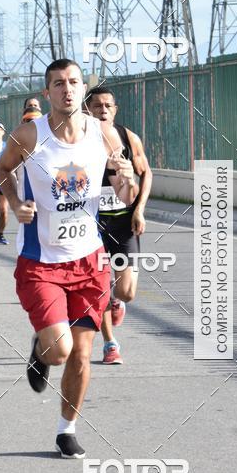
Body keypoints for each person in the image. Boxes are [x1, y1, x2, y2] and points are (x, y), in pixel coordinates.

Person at [0, 58, 136, 459]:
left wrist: (125, 180)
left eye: (74, 82)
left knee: (81, 352)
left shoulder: (104, 134)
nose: (67, 89)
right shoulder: (29, 135)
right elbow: (4, 170)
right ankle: (41, 349)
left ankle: (66, 428)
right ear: (48, 92)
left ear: (83, 89)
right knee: (59, 350)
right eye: (58, 84)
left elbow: (125, 195)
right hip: (41, 262)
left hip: (89, 260)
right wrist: (15, 201)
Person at [85, 87, 152, 364]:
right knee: (98, 285)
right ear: (87, 109)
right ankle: (110, 343)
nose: (103, 110)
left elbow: (146, 172)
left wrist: (140, 211)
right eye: (97, 105)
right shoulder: (80, 140)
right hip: (92, 224)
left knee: (126, 291)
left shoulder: (127, 137)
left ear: (115, 109)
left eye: (108, 106)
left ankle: (117, 300)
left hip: (124, 221)